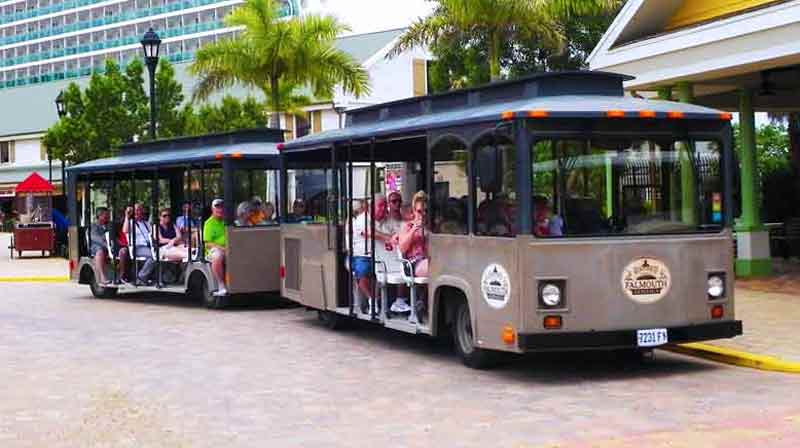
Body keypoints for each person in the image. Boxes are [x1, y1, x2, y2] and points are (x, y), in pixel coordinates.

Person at [122, 203, 156, 285]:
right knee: (155, 256)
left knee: (162, 254)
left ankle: (156, 277)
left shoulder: (146, 223)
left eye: (140, 210)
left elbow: (152, 234)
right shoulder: (130, 223)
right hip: (137, 247)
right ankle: (141, 277)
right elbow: (125, 231)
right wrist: (127, 216)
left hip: (149, 246)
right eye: (136, 210)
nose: (138, 212)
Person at [398, 191, 429, 278]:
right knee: (433, 266)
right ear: (414, 211)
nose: (423, 214)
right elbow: (402, 248)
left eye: (426, 211)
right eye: (419, 211)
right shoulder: (408, 226)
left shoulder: (431, 226)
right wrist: (414, 230)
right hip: (413, 263)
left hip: (429, 260)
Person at [204, 198, 227, 296]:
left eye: (222, 207)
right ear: (212, 209)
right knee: (217, 256)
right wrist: (222, 249)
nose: (220, 210)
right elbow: (208, 243)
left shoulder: (227, 220)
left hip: (232, 247)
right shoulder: (209, 223)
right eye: (217, 207)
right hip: (214, 249)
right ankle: (221, 285)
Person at [89, 207, 112, 285]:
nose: (108, 217)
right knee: (100, 251)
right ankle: (102, 277)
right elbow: (95, 238)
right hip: (96, 246)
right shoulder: (94, 226)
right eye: (106, 215)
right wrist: (106, 245)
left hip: (108, 245)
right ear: (100, 216)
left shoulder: (109, 225)